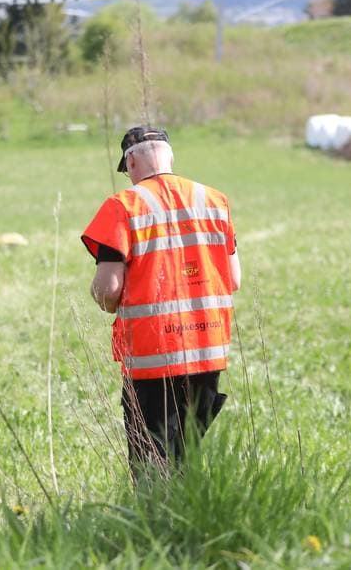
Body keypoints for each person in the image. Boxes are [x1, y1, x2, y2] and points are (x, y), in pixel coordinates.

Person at [81, 126, 242, 477]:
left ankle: (153, 524)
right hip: (207, 348)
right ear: (169, 156)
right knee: (187, 457)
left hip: (153, 353)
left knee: (151, 460)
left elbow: (108, 288)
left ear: (132, 159)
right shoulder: (214, 201)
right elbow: (234, 280)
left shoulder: (122, 206)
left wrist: (103, 300)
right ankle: (190, 521)